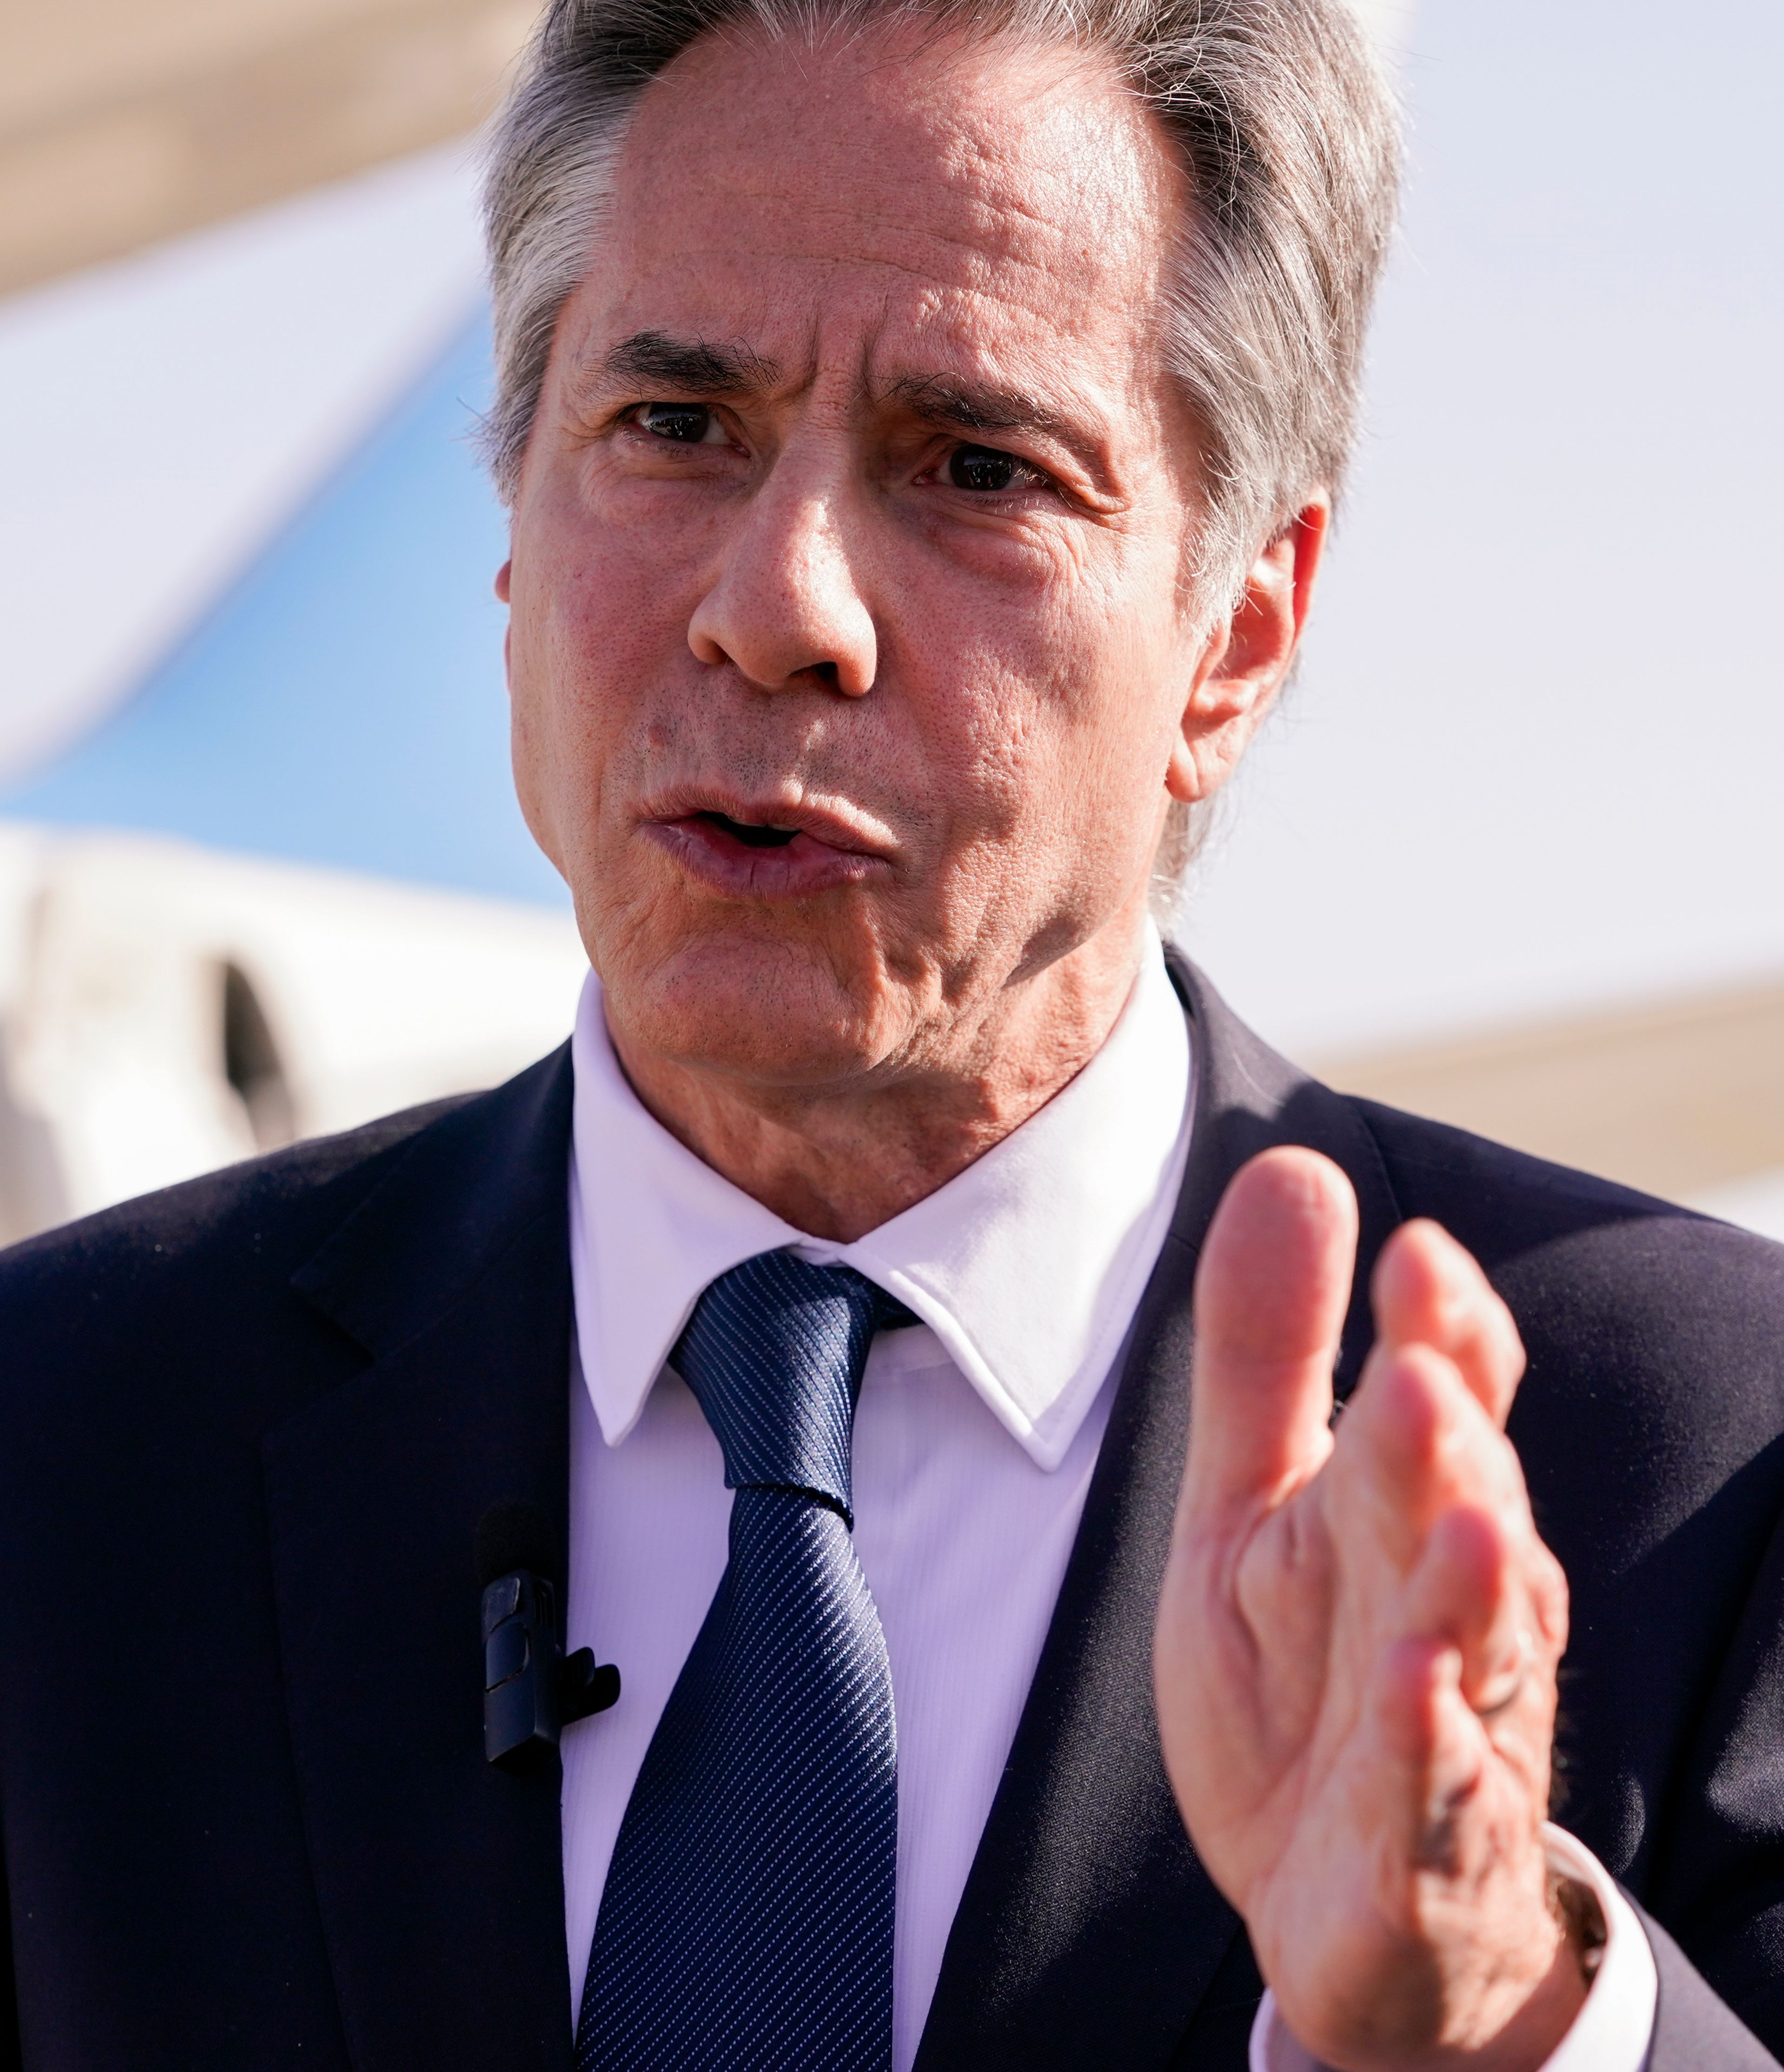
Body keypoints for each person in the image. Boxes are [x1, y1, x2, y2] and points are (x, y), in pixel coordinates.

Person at [2, 0, 1782, 2065]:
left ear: (1241, 636)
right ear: (511, 524)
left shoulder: (1707, 1475)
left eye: (977, 468)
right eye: (675, 428)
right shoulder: (59, 1456)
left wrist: (1507, 2015)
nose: (781, 609)